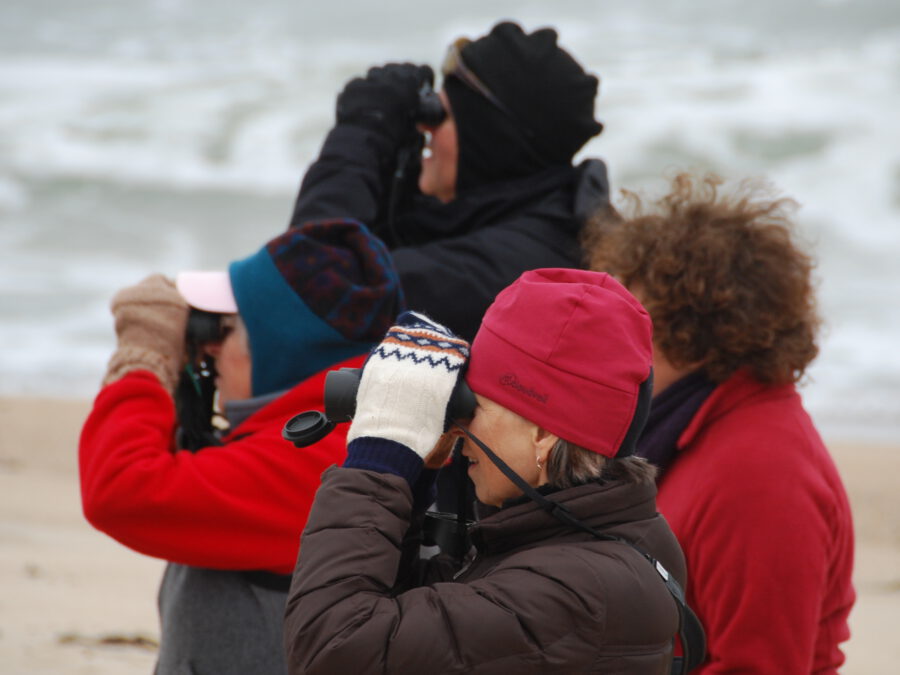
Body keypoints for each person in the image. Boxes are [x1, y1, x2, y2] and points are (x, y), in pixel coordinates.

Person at [283, 268, 693, 674]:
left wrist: (380, 458)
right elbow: (399, 617)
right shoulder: (571, 542)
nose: (460, 426)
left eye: (472, 405)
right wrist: (417, 469)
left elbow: (330, 648)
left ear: (544, 434)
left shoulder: (577, 590)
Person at [79, 220, 403, 674]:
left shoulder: (329, 461)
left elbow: (120, 488)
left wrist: (144, 357)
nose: (208, 349)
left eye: (226, 329)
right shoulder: (361, 427)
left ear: (277, 351)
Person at [586, 173, 855, 673]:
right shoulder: (687, 427)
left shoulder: (762, 475)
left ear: (691, 326)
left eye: (631, 317)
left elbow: (759, 664)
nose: (610, 335)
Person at [289, 21, 609, 342]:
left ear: (488, 140)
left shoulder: (520, 274)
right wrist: (397, 166)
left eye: (441, 116)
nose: (426, 128)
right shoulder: (542, 220)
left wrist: (362, 132)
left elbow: (306, 292)